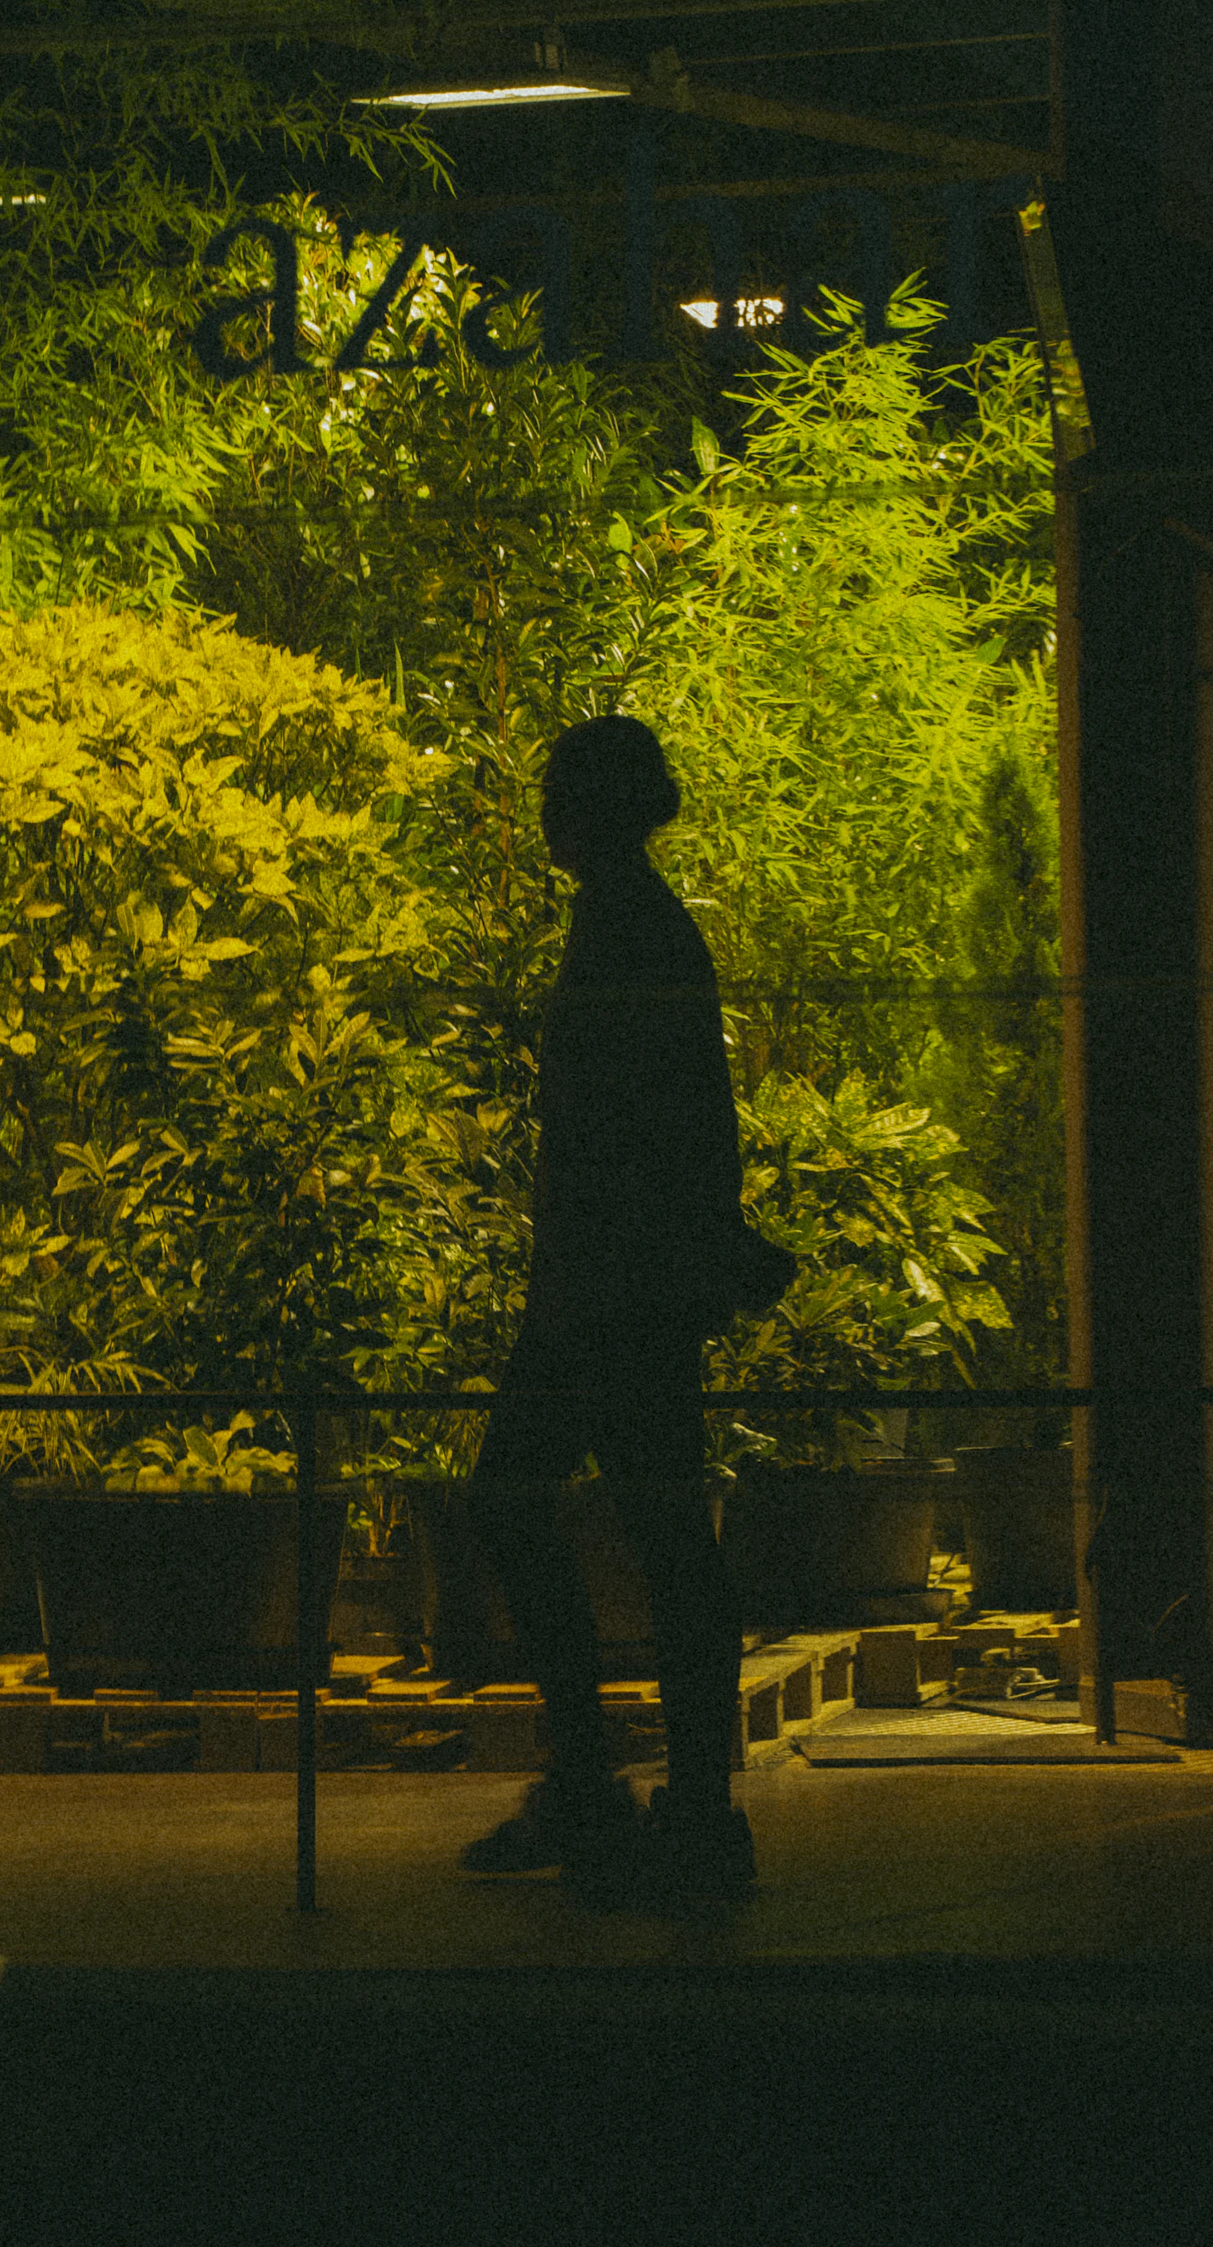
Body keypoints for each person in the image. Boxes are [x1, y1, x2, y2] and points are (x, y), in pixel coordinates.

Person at [458, 715, 756, 1905]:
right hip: (622, 1286)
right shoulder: (644, 923)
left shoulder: (628, 930)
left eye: (554, 786)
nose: (540, 804)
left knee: (550, 1510)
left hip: (607, 1290)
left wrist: (604, 1277)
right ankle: (672, 1797)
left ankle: (627, 1785)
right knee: (656, 1532)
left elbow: (630, 1127)